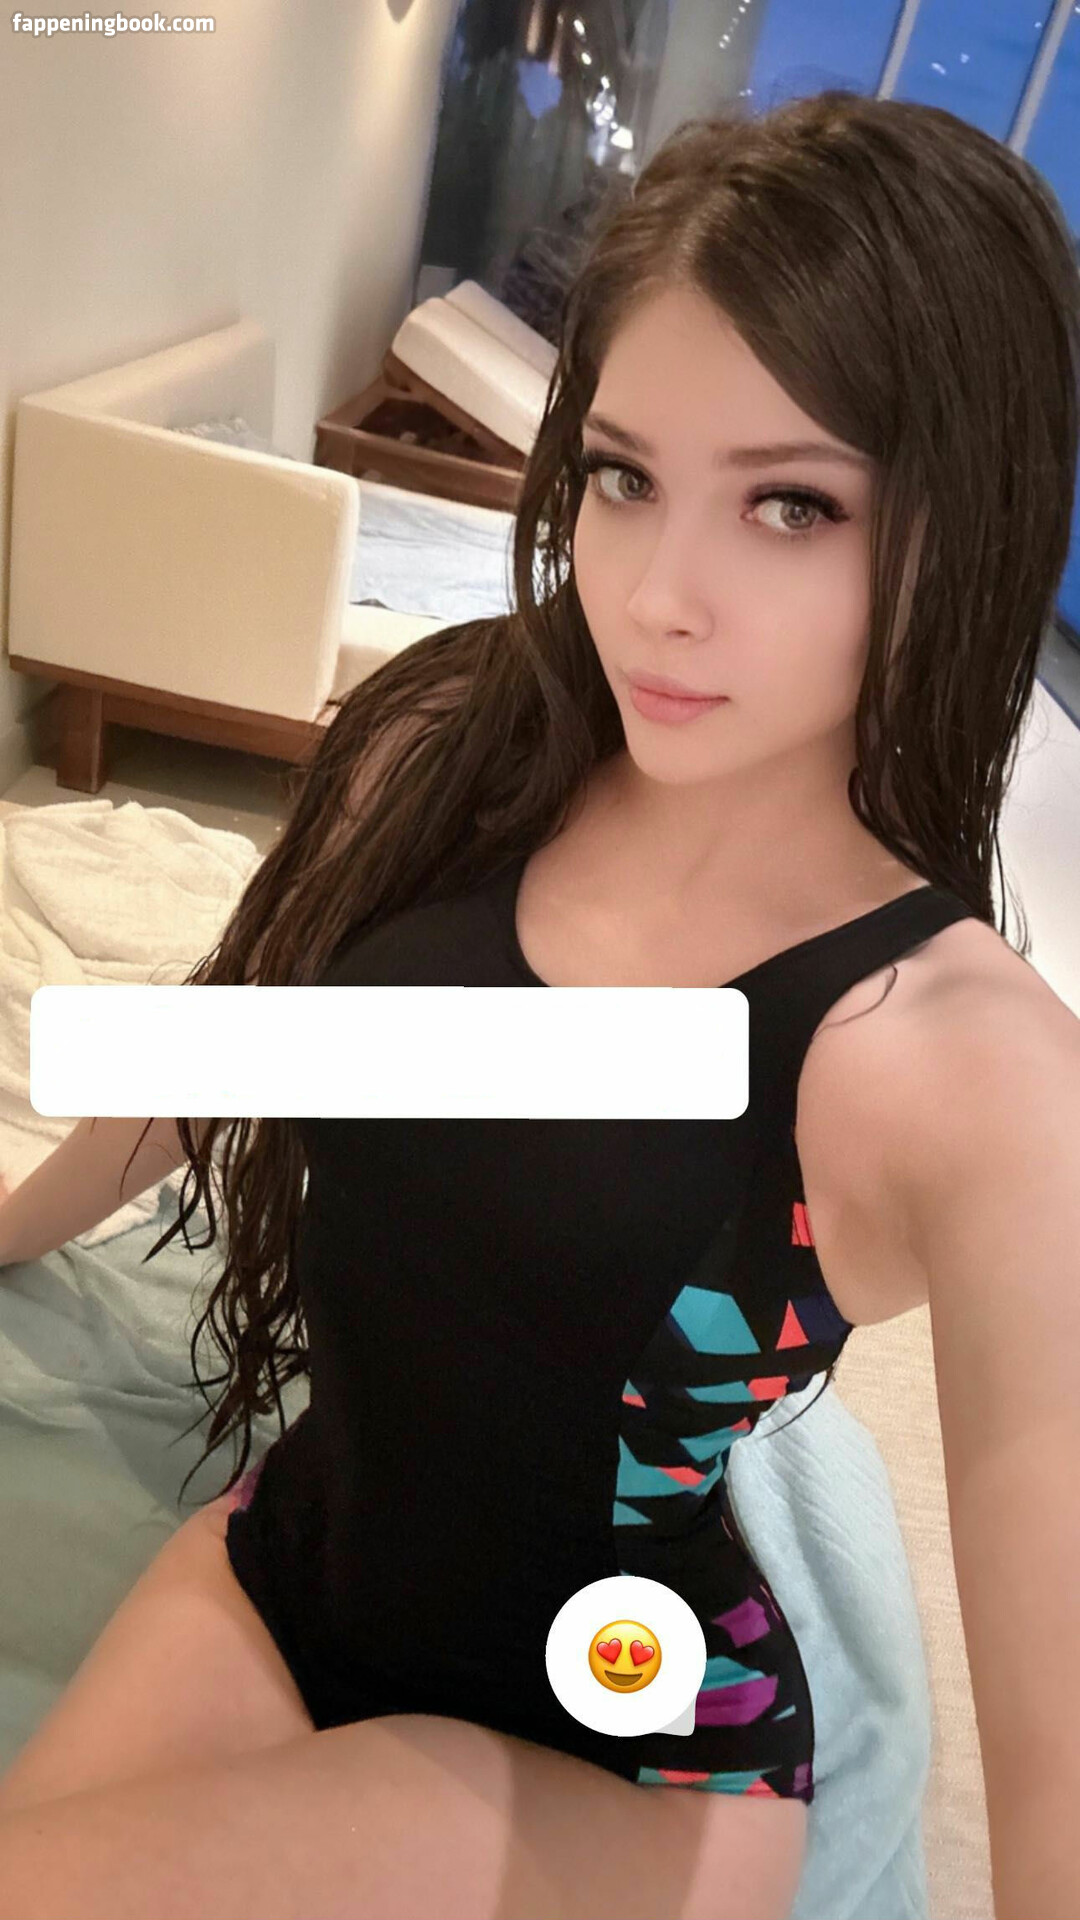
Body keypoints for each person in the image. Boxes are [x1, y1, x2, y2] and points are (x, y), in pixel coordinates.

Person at [0, 87, 1078, 1920]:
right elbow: (237, 1040)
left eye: (793, 506)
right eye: (625, 475)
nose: (658, 597)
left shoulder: (969, 1069)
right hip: (290, 1568)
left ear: (959, 528)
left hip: (630, 1756)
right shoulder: (448, 742)